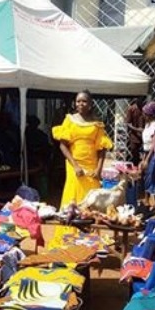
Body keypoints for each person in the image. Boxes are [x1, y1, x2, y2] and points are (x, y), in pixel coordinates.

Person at [51, 90, 112, 247]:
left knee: (91, 204)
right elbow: (63, 146)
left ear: (91, 104)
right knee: (72, 201)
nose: (80, 104)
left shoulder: (97, 124)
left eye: (84, 101)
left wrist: (98, 170)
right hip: (74, 166)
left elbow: (102, 148)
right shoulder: (69, 120)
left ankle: (89, 241)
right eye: (78, 101)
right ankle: (67, 240)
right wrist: (76, 165)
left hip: (91, 168)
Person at [140, 101, 155, 210]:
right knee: (147, 177)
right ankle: (146, 201)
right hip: (147, 152)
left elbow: (154, 144)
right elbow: (146, 144)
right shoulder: (147, 125)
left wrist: (147, 159)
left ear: (150, 114)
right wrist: (143, 159)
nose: (143, 115)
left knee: (154, 177)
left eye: (145, 113)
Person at [125, 97, 145, 166]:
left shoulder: (144, 109)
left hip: (144, 136)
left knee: (144, 155)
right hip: (134, 136)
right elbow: (128, 123)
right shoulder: (131, 109)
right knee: (134, 154)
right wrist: (137, 129)